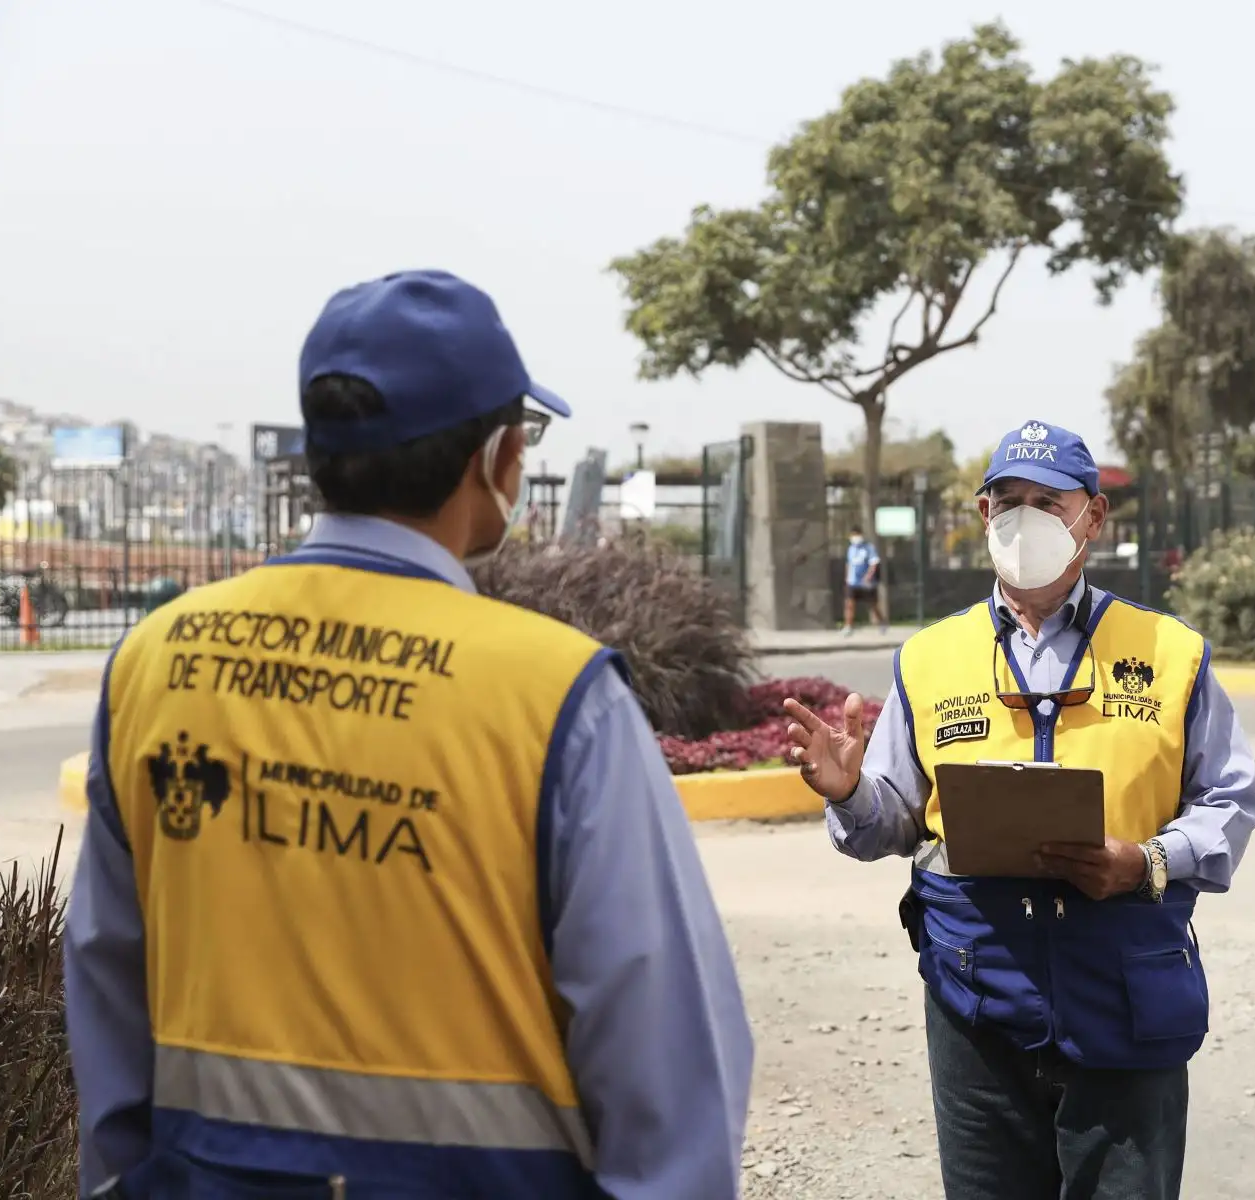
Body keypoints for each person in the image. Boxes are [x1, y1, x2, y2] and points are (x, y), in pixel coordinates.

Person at [63, 269, 753, 1199]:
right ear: (495, 460)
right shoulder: (556, 696)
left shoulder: (155, 661)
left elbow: (106, 998)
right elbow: (669, 1065)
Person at [783, 419, 1255, 1200]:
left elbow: (1231, 801)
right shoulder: (929, 657)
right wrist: (849, 792)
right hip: (978, 1000)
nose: (1024, 519)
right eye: (1006, 501)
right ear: (982, 516)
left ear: (1093, 520)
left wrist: (1145, 862)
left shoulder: (1172, 652)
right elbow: (895, 821)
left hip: (1124, 998)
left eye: (1048, 501)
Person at [842, 524, 886, 634]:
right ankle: (848, 626)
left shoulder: (868, 548)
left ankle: (882, 623)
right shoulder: (851, 549)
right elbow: (849, 564)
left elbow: (874, 563)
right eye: (853, 535)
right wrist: (847, 577)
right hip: (853, 582)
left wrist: (868, 576)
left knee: (872, 605)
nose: (855, 537)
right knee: (849, 604)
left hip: (866, 583)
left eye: (857, 535)